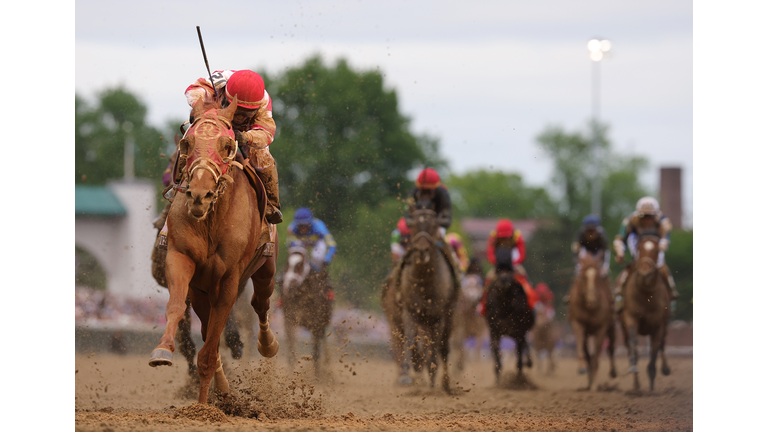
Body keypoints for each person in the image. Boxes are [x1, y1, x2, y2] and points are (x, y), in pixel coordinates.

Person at [177, 69, 283, 224]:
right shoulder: (219, 80)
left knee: (262, 158)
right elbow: (193, 90)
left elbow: (267, 133)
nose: (238, 117)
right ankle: (178, 186)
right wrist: (201, 107)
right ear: (226, 96)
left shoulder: (263, 101)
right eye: (236, 110)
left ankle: (271, 204)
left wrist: (246, 137)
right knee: (188, 141)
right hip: (216, 124)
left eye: (245, 114)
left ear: (256, 108)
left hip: (246, 134)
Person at [393, 167, 462, 291]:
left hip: (436, 227)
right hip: (418, 227)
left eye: (428, 191)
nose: (425, 194)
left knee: (447, 250)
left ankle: (456, 283)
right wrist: (417, 221)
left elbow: (447, 221)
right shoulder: (412, 194)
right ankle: (397, 281)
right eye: (422, 191)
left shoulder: (443, 194)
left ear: (435, 189)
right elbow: (407, 218)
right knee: (407, 250)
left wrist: (433, 221)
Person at [613, 196, 679, 312]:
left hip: (655, 243)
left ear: (656, 215)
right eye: (644, 217)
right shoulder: (630, 220)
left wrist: (662, 245)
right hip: (637, 241)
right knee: (636, 263)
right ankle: (619, 292)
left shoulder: (663, 221)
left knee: (661, 265)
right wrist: (620, 252)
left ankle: (671, 292)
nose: (647, 220)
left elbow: (666, 238)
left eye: (651, 217)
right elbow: (620, 238)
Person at [480, 219, 538, 312]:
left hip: (514, 264)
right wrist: (499, 263)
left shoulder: (518, 236)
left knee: (524, 278)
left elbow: (522, 255)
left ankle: (531, 302)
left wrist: (512, 264)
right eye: (502, 238)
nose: (504, 240)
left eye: (506, 237)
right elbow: (490, 255)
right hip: (498, 265)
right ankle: (482, 305)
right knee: (488, 280)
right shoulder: (492, 237)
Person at [286, 208, 337, 282]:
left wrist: (327, 259)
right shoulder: (291, 228)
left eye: (305, 225)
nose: (302, 228)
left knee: (317, 257)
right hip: (302, 244)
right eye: (300, 225)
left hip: (317, 244)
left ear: (310, 223)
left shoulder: (319, 227)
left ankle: (324, 281)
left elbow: (332, 244)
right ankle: (284, 275)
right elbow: (290, 244)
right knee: (294, 257)